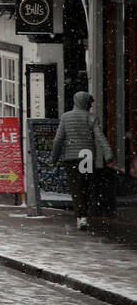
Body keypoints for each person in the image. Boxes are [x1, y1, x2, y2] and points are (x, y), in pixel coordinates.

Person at [51, 91, 115, 231]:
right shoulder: (91, 118)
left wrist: (54, 157)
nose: (91, 106)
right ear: (86, 103)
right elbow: (100, 137)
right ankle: (84, 214)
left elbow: (58, 139)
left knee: (76, 187)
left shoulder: (66, 117)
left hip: (72, 158)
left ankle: (81, 216)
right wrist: (108, 154)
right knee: (86, 186)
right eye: (90, 104)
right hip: (87, 156)